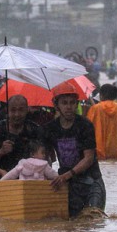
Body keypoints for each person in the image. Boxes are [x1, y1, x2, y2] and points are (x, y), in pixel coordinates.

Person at [44, 82, 106, 217]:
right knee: (70, 224)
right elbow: (46, 157)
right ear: (56, 105)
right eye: (64, 103)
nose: (68, 107)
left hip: (91, 181)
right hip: (68, 185)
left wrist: (67, 175)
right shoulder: (50, 128)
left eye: (72, 103)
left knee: (92, 219)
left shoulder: (85, 125)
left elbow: (89, 158)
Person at [0, 95, 47, 176]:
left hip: (30, 179)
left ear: (27, 110)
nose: (17, 114)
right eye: (13, 110)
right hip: (5, 178)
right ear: (7, 110)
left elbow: (46, 160)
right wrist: (1, 151)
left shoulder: (34, 130)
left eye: (21, 110)